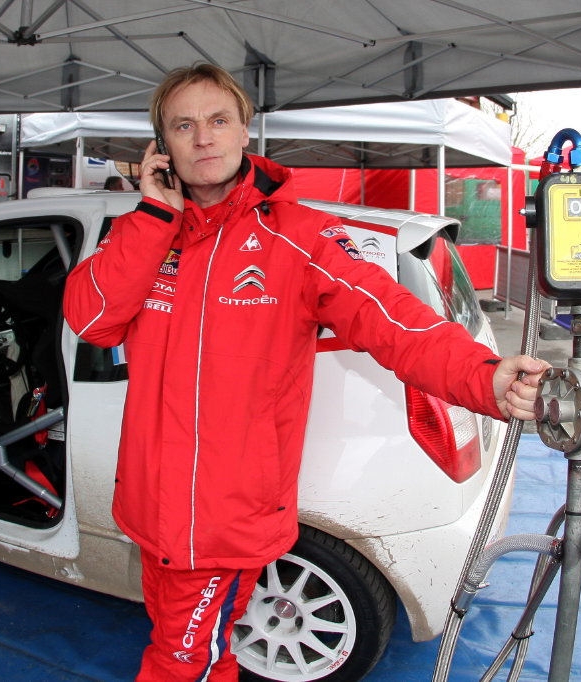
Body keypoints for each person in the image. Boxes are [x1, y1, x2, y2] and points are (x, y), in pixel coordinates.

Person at [63, 63, 550, 681]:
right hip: (150, 505)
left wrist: (484, 375)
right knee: (196, 650)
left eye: (218, 120)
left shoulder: (300, 237)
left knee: (180, 663)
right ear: (162, 147)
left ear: (245, 131)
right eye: (183, 126)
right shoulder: (147, 233)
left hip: (225, 518)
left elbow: (393, 319)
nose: (204, 138)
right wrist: (154, 217)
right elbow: (92, 320)